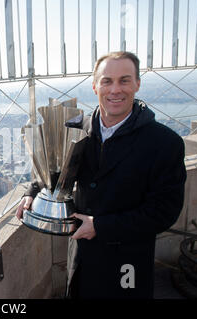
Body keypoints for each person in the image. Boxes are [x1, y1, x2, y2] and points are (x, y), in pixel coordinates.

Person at [15, 51, 187, 299]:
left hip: (128, 261)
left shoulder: (164, 143)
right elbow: (53, 167)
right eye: (107, 81)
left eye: (124, 80)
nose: (115, 90)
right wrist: (32, 192)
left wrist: (101, 226)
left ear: (137, 84)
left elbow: (164, 212)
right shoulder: (75, 126)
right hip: (82, 257)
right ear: (95, 85)